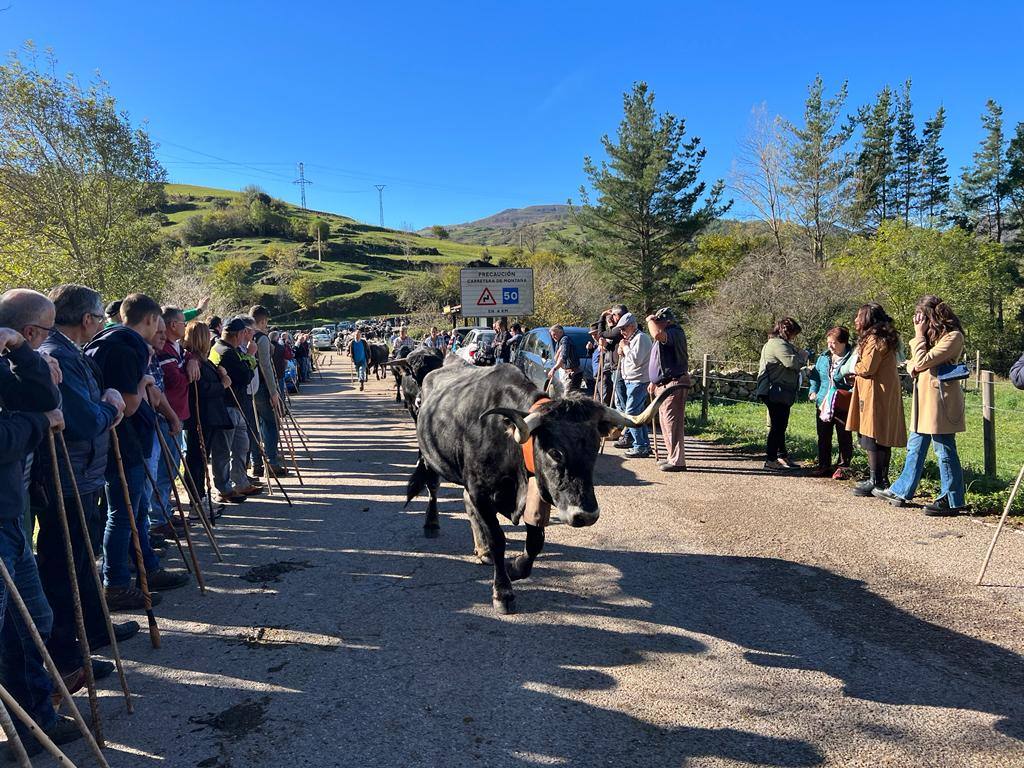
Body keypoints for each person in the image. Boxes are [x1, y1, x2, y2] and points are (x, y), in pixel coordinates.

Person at [36, 286, 138, 685]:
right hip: (67, 479)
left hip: (83, 474)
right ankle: (69, 657)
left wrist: (105, 407)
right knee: (64, 571)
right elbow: (83, 420)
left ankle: (95, 630)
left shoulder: (70, 352)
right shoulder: (57, 354)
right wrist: (112, 407)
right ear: (87, 319)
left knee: (82, 560)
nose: (99, 322)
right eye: (98, 316)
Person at [0, 325, 78, 757]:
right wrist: (37, 423)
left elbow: (44, 401)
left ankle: (32, 724)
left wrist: (20, 353)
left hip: (10, 515)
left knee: (33, 620)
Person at [85, 294, 190, 608]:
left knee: (135, 511)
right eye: (158, 321)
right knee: (123, 513)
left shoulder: (107, 340)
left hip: (126, 443)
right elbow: (128, 407)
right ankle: (116, 582)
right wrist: (144, 382)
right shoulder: (126, 346)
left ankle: (148, 568)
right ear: (150, 319)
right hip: (125, 444)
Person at [873, 296, 967, 515]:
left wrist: (918, 337)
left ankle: (952, 499)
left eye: (922, 318)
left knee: (943, 448)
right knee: (915, 447)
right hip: (923, 401)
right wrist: (914, 363)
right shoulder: (930, 339)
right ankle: (902, 490)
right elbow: (915, 362)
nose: (919, 322)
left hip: (939, 403)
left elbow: (923, 361)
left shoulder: (953, 337)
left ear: (933, 317)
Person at [845, 303, 907, 496]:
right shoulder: (885, 337)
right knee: (881, 434)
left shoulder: (874, 339)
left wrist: (852, 368)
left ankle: (876, 480)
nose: (855, 320)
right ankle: (880, 478)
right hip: (881, 390)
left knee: (873, 434)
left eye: (858, 316)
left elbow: (867, 368)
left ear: (867, 318)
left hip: (875, 393)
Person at [182, 321, 236, 507]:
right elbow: (200, 389)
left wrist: (220, 374)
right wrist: (222, 384)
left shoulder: (202, 360)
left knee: (201, 459)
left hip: (209, 416)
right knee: (197, 459)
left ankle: (201, 496)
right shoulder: (193, 361)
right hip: (201, 417)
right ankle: (197, 499)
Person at [211, 318, 258, 502]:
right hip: (226, 406)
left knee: (241, 446)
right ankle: (223, 488)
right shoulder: (226, 352)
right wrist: (251, 358)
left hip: (236, 405)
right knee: (223, 450)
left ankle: (240, 481)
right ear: (238, 335)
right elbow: (245, 376)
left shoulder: (226, 349)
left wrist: (247, 361)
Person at [755, 317, 808, 471]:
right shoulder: (778, 344)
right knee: (778, 425)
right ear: (787, 331)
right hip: (776, 390)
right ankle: (771, 459)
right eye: (793, 334)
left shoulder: (777, 343)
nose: (794, 337)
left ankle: (782, 456)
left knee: (780, 424)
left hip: (777, 390)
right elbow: (792, 363)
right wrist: (803, 357)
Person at [808, 326, 855, 479]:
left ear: (843, 342)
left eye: (834, 343)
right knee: (823, 435)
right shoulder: (823, 357)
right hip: (823, 402)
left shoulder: (853, 358)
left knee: (844, 435)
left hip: (843, 402)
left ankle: (843, 467)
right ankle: (824, 465)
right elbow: (815, 376)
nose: (830, 346)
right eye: (828, 342)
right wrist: (812, 391)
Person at [647, 307, 690, 472]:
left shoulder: (675, 332)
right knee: (665, 422)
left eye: (659, 322)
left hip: (674, 382)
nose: (656, 325)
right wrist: (654, 381)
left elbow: (657, 335)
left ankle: (677, 461)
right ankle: (672, 457)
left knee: (673, 422)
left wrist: (649, 320)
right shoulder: (668, 333)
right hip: (663, 383)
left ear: (667, 321)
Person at [248, 306, 288, 477]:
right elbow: (266, 367)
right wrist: (274, 391)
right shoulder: (261, 339)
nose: (266, 326)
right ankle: (271, 462)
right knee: (271, 423)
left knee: (253, 426)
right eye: (266, 323)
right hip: (262, 387)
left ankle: (256, 463)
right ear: (263, 321)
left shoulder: (244, 335)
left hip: (248, 388)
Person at [616, 314, 654, 459]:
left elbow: (636, 360)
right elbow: (630, 358)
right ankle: (644, 445)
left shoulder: (641, 338)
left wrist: (625, 348)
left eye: (624, 328)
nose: (622, 332)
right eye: (620, 329)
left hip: (639, 381)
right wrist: (622, 351)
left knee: (631, 414)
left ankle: (640, 446)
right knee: (638, 415)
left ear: (632, 325)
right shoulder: (632, 339)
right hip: (631, 380)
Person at [547, 325, 582, 393]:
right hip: (566, 374)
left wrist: (554, 369)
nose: (553, 337)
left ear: (561, 332)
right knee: (568, 397)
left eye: (554, 334)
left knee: (569, 398)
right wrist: (559, 350)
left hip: (573, 373)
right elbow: (555, 359)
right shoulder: (558, 342)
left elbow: (563, 358)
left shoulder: (565, 339)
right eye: (552, 335)